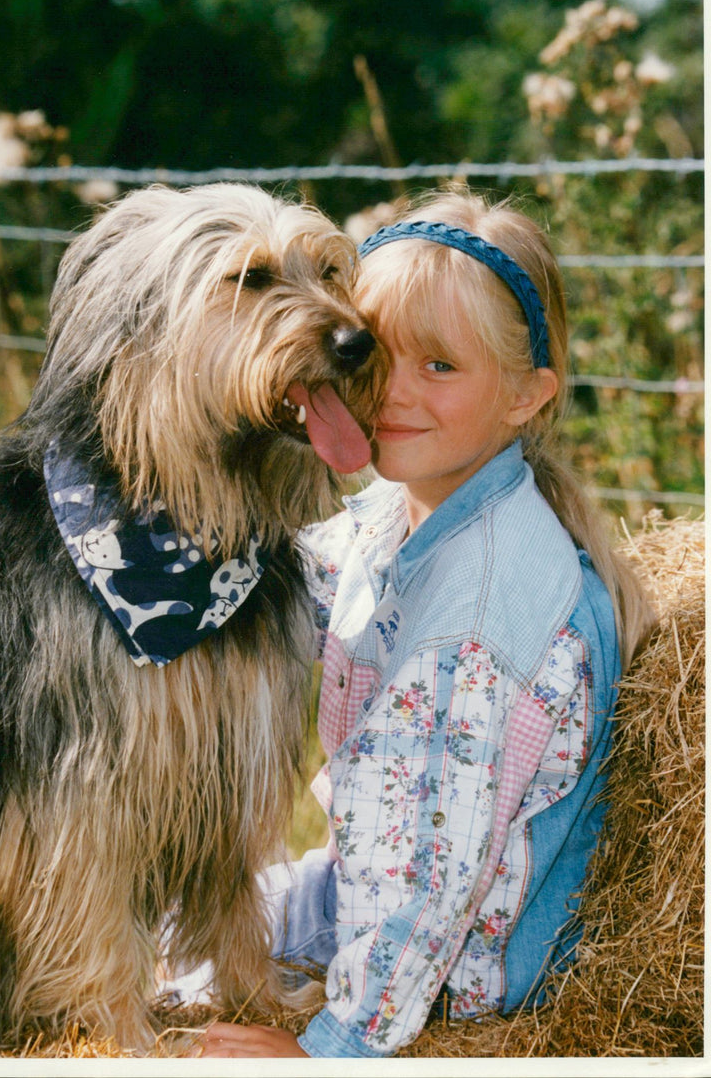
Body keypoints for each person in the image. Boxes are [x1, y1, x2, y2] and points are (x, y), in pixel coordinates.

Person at [197, 188, 654, 1059]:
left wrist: (324, 1052)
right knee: (142, 949)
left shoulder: (478, 624)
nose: (391, 393)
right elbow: (288, 588)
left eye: (439, 367)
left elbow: (430, 885)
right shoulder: (399, 509)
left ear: (527, 395)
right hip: (356, 891)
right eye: (375, 354)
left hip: (455, 975)